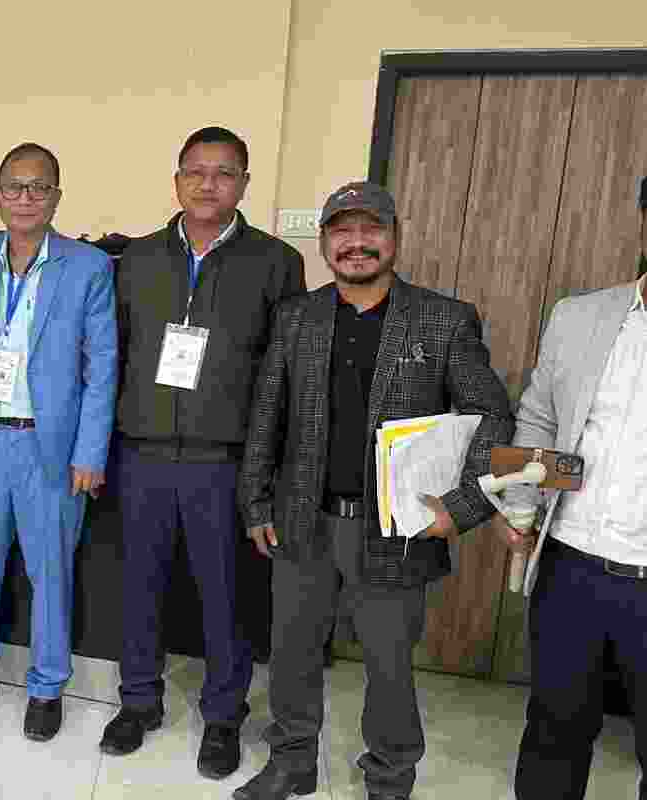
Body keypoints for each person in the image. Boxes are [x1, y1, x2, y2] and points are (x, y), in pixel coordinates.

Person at [235, 181, 513, 800]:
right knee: (292, 655)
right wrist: (256, 501)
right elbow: (266, 416)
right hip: (303, 521)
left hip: (397, 529)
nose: (356, 243)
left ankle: (389, 778)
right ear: (325, 241)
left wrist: (464, 505)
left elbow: (491, 414)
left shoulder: (443, 320)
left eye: (371, 230)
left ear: (394, 237)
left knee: (389, 668)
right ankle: (292, 761)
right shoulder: (296, 317)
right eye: (341, 231)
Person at [106, 126, 305, 775]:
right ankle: (139, 700)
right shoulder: (136, 259)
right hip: (142, 454)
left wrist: (269, 468)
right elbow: (115, 354)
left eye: (223, 173)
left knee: (226, 595)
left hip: (226, 461)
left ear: (243, 184)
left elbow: (285, 374)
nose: (208, 183)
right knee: (139, 587)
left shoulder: (275, 263)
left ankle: (223, 716)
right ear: (177, 180)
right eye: (196, 171)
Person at [0, 142, 116, 741]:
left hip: (54, 452)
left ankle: (46, 686)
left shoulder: (88, 267)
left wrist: (90, 452)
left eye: (39, 187)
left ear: (57, 197)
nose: (26, 198)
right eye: (14, 186)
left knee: (51, 574)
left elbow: (101, 368)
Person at [498, 209, 647, 800]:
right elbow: (540, 418)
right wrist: (520, 508)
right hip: (571, 565)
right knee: (555, 728)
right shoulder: (580, 317)